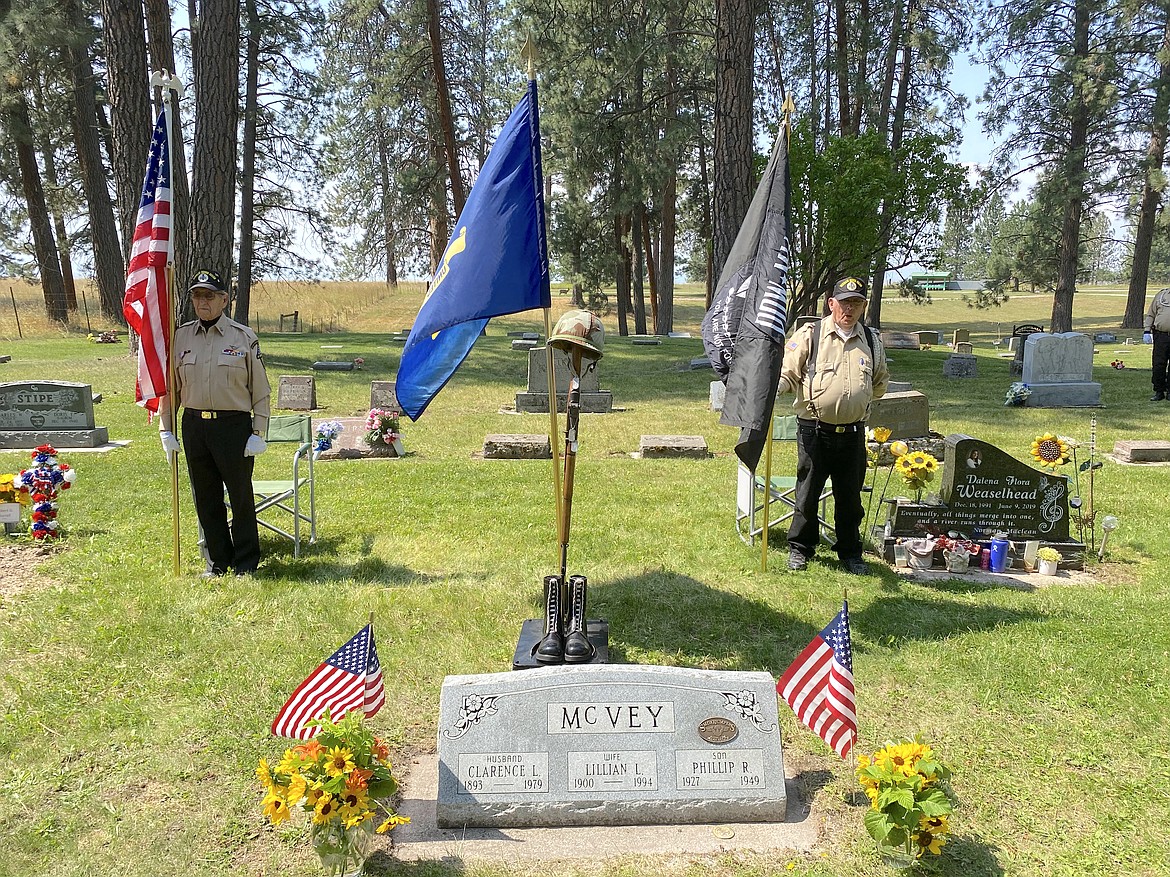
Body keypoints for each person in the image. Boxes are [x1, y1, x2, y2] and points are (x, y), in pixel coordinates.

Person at [159, 269, 271, 577]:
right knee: (205, 497)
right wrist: (165, 428)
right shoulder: (181, 336)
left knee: (240, 496)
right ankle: (218, 562)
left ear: (224, 299)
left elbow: (260, 390)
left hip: (233, 427)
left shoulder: (243, 337)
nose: (202, 301)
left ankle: (246, 562)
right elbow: (172, 388)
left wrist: (258, 431)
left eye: (209, 295)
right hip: (195, 426)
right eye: (197, 295)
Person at [776, 276, 889, 575]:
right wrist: (777, 387)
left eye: (856, 303)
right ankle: (801, 549)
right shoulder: (811, 334)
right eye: (844, 303)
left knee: (850, 499)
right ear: (831, 304)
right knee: (808, 494)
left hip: (853, 434)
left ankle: (850, 553)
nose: (849, 309)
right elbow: (788, 373)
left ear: (863, 306)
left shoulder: (872, 340)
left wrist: (854, 401)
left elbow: (879, 383)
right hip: (814, 430)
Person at [1144, 286, 1170, 401]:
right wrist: (1146, 331)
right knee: (1159, 364)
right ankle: (1159, 391)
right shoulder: (1161, 295)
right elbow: (1151, 314)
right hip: (1161, 335)